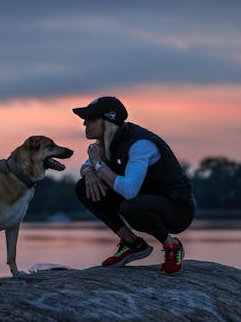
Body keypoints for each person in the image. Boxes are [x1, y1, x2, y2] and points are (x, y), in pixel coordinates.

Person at [72, 96, 195, 275]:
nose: (84, 123)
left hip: (176, 208)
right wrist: (90, 172)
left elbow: (129, 191)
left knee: (130, 206)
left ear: (108, 121)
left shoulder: (140, 144)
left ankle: (172, 246)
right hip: (144, 199)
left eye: (91, 119)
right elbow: (85, 167)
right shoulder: (107, 143)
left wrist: (98, 164)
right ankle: (132, 243)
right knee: (83, 188)